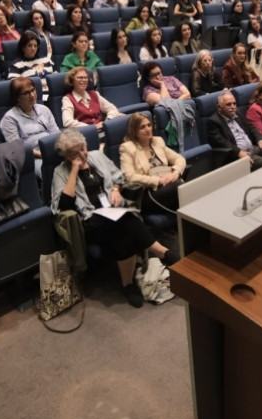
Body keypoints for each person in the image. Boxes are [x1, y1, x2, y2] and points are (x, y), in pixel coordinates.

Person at [51, 129, 178, 308]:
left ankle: (128, 285)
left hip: (113, 212)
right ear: (66, 156)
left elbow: (118, 176)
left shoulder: (96, 156)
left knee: (123, 229)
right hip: (89, 221)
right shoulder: (60, 171)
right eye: (74, 153)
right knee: (126, 219)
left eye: (82, 149)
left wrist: (115, 190)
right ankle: (161, 251)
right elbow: (64, 205)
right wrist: (73, 170)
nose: (81, 155)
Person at [119, 113, 185, 222]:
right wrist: (158, 181)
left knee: (183, 188)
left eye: (149, 125)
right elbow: (129, 177)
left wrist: (175, 173)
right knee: (180, 187)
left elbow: (179, 159)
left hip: (167, 187)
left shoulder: (157, 141)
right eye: (142, 127)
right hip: (146, 194)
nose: (148, 129)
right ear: (134, 131)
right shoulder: (127, 148)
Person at [207, 91, 262, 172]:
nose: (233, 107)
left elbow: (251, 127)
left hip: (253, 147)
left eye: (234, 103)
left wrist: (260, 140)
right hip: (238, 154)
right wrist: (238, 152)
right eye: (228, 104)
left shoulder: (238, 113)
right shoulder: (214, 121)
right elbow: (221, 142)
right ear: (219, 107)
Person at [0, 77, 59, 175]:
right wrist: (43, 155)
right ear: (17, 98)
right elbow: (18, 148)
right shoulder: (9, 119)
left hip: (51, 150)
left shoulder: (44, 109)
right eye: (26, 93)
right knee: (52, 172)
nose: (32, 95)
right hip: (32, 158)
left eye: (33, 90)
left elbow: (56, 134)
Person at [61, 66, 122, 131]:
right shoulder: (67, 99)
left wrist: (107, 122)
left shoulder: (95, 94)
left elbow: (112, 108)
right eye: (80, 78)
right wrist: (92, 128)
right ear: (72, 81)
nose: (83, 80)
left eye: (85, 77)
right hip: (86, 133)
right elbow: (67, 122)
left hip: (103, 130)